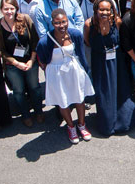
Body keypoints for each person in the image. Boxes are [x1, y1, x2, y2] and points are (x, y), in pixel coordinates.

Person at [36, 8, 94, 143]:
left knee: (79, 98)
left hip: (74, 70)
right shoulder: (44, 41)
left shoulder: (75, 34)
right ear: (52, 23)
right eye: (57, 23)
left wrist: (84, 70)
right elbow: (42, 59)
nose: (61, 26)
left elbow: (80, 53)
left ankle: (81, 124)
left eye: (64, 22)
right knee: (63, 102)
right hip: (56, 74)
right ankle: (71, 127)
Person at [84, 0, 135, 136]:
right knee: (104, 92)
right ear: (96, 10)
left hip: (117, 61)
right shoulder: (88, 24)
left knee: (121, 89)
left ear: (112, 11)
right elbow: (87, 42)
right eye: (101, 9)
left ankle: (123, 121)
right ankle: (107, 124)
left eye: (108, 10)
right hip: (100, 62)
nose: (105, 13)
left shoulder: (117, 22)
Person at [0, 0, 44, 127]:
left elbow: (34, 40)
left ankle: (38, 111)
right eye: (6, 9)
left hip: (30, 62)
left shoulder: (25, 19)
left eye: (11, 8)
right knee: (18, 91)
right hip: (13, 66)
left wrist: (32, 60)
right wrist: (16, 63)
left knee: (35, 88)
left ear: (16, 8)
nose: (9, 12)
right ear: (1, 10)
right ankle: (25, 115)